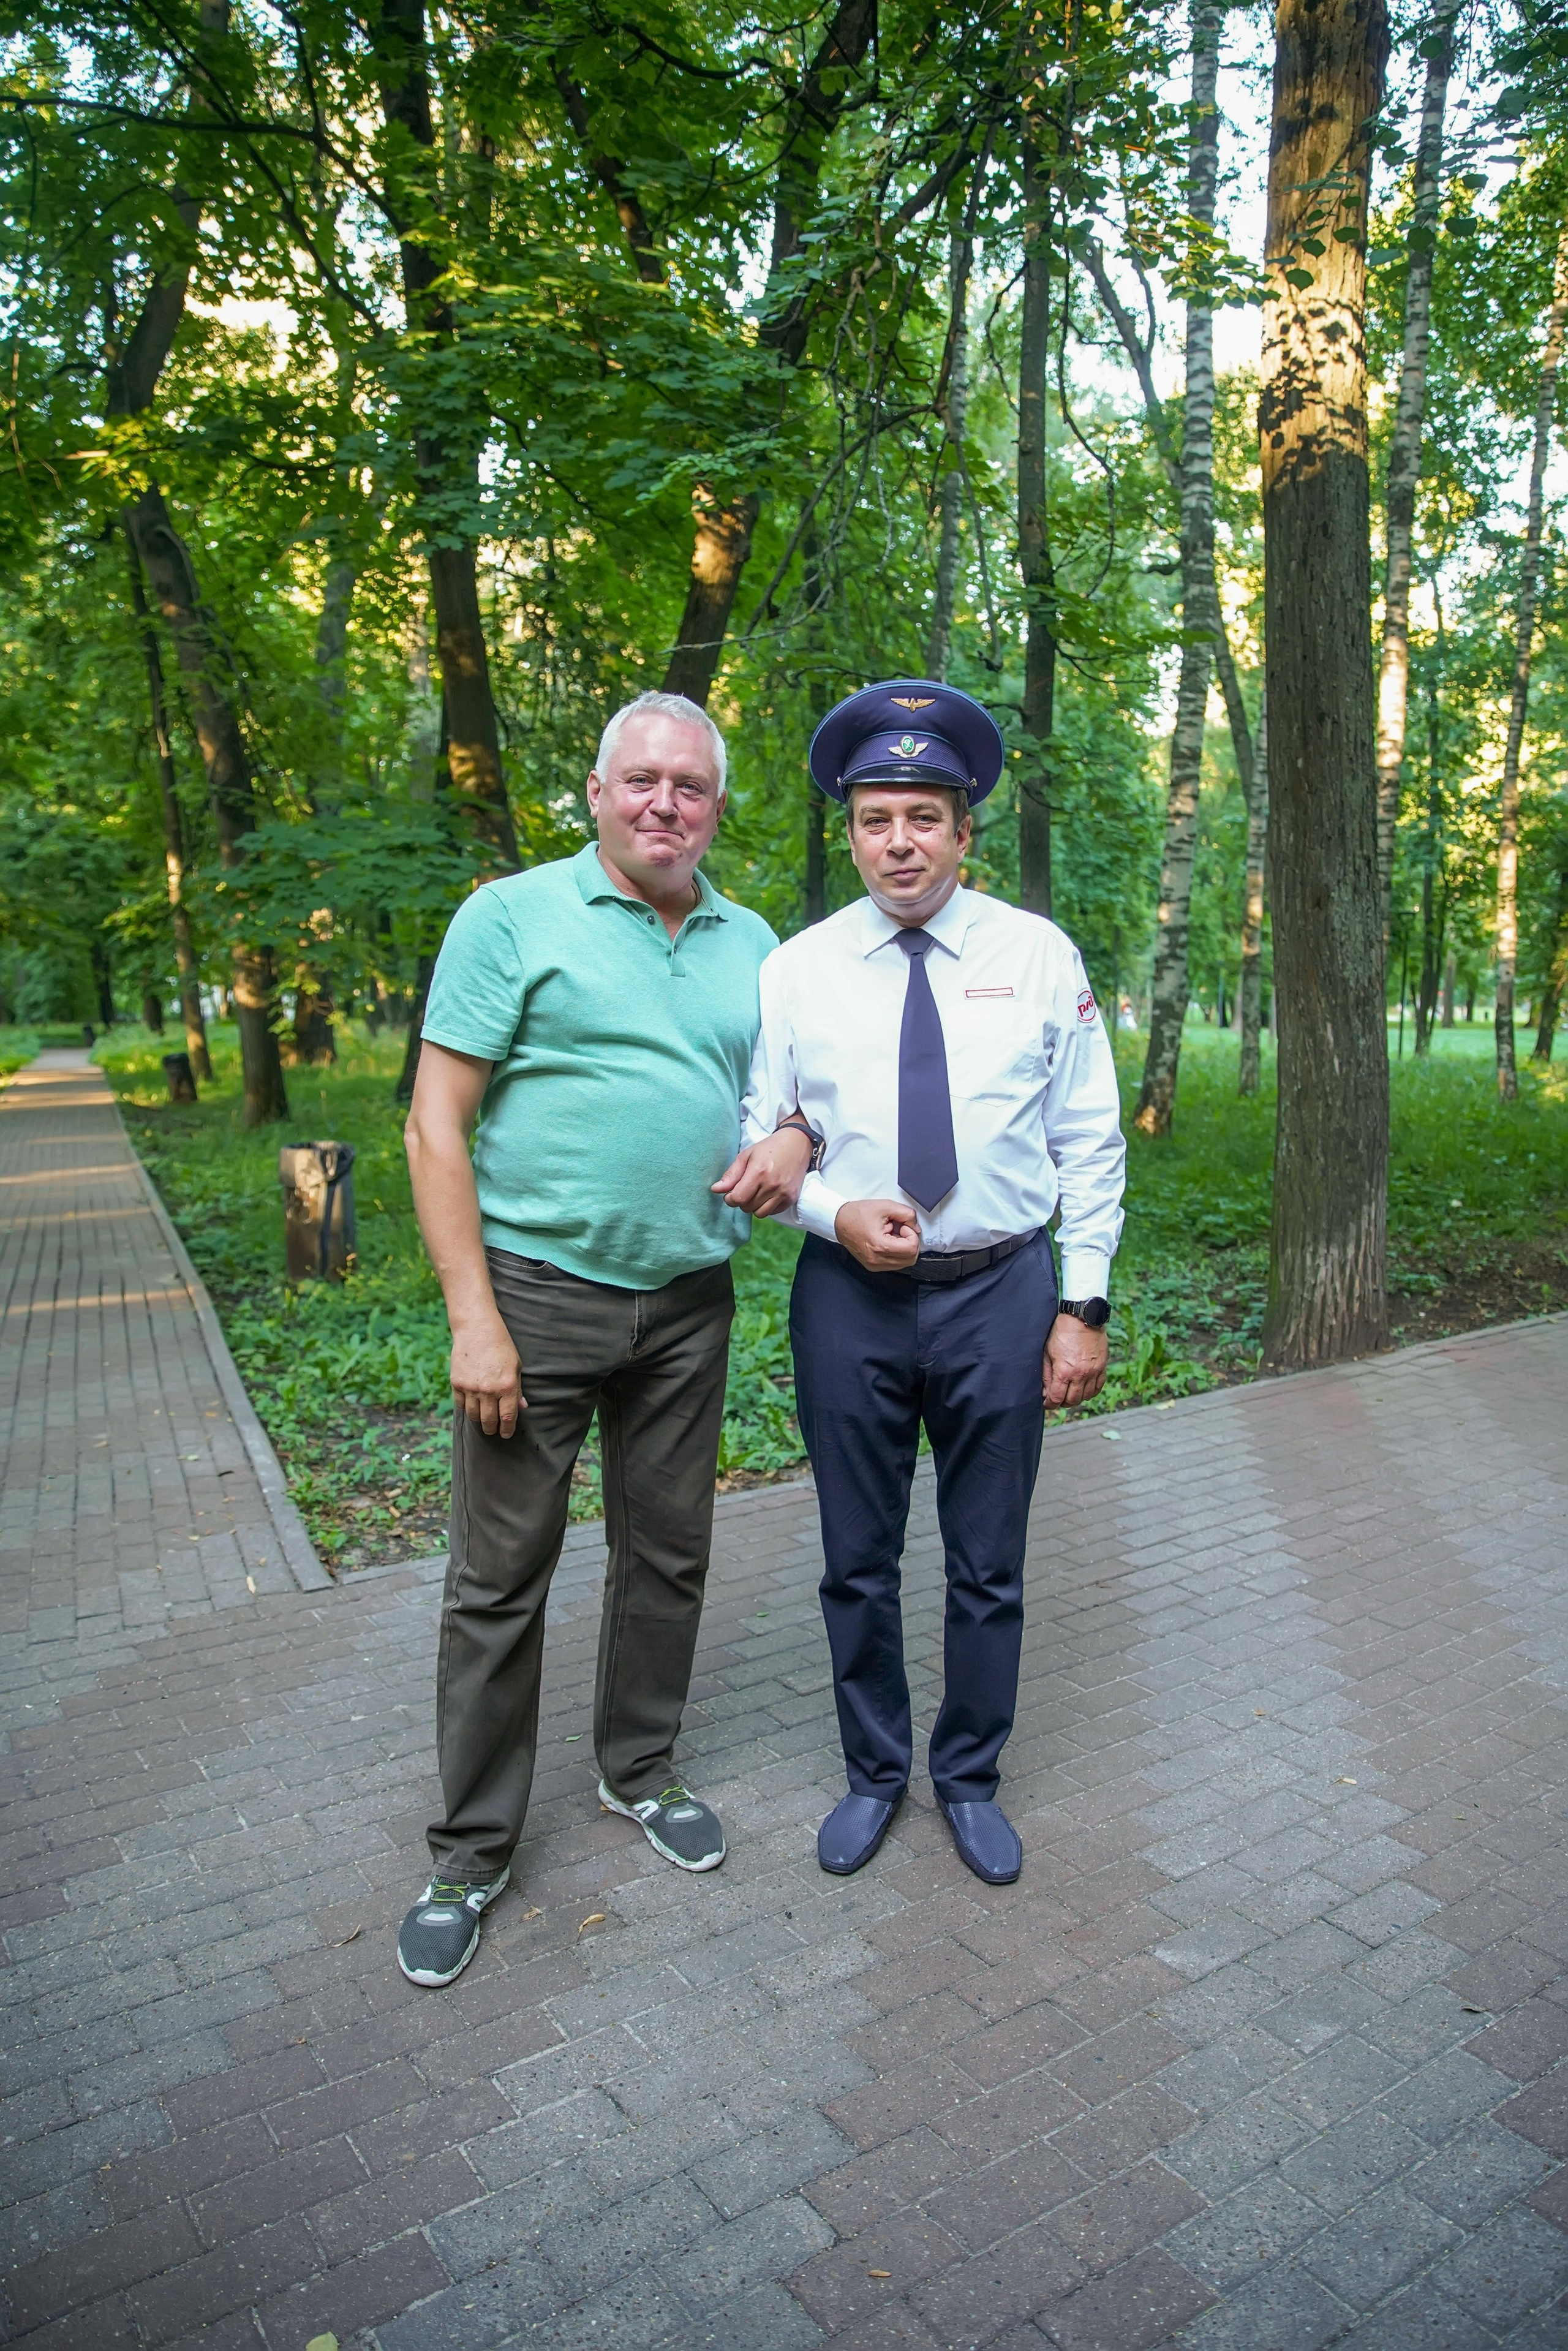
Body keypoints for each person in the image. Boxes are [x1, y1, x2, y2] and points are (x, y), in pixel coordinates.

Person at [397, 691, 810, 1987]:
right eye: (639, 780)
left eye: (688, 785)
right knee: (496, 1580)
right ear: (594, 791)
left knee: (668, 1555)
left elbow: (795, 1104)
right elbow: (433, 1123)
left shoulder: (761, 948)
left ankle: (638, 1767)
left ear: (718, 806)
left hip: (688, 1304)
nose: (663, 803)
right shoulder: (511, 916)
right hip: (536, 1297)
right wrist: (474, 1316)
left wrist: (794, 1137)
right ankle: (469, 1850)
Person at [723, 679, 1126, 1887]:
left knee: (985, 1556)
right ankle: (871, 1770)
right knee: (855, 1554)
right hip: (847, 1296)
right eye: (874, 818)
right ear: (848, 830)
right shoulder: (796, 970)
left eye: (922, 817)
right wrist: (826, 1206)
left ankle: (967, 1774)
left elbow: (1090, 1139)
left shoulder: (1036, 956)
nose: (897, 841)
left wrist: (1083, 1301)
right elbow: (758, 1137)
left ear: (963, 831)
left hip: (1000, 1290)